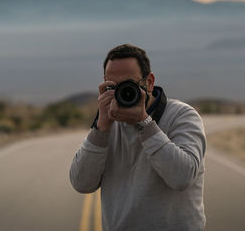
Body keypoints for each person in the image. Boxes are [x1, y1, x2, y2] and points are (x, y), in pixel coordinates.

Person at [69, 44, 207, 231]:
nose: (122, 92)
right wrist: (100, 128)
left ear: (149, 82)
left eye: (129, 85)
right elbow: (81, 183)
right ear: (104, 84)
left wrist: (143, 122)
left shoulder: (181, 116)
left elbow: (182, 177)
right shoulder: (107, 123)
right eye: (113, 86)